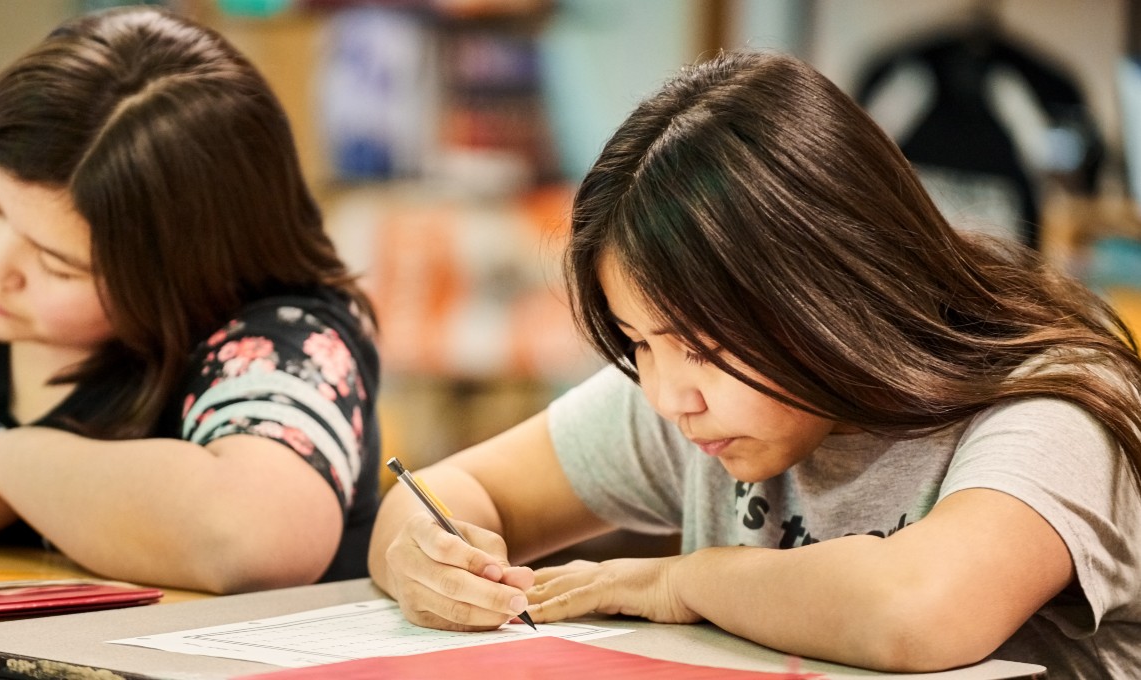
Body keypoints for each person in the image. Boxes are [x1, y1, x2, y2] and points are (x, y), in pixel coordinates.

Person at [367, 50, 1141, 677]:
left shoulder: (1052, 405)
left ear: (832, 286)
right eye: (638, 342)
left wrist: (681, 580)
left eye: (701, 345)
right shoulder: (708, 403)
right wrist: (423, 560)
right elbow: (446, 492)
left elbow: (921, 609)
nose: (669, 395)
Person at [0, 6, 380, 593]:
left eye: (56, 264)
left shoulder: (278, 334)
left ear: (178, 272)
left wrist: (5, 466)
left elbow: (254, 538)